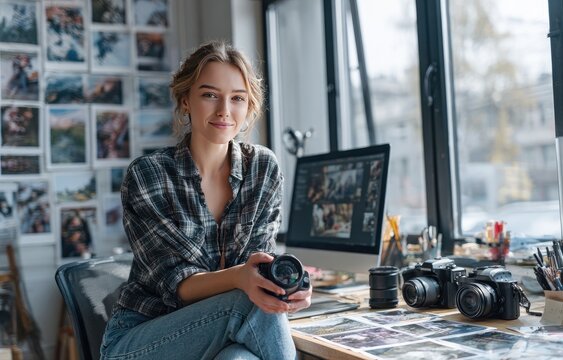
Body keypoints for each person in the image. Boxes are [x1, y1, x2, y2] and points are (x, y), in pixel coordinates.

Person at [100, 41, 312, 360]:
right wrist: (243, 278)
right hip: (141, 339)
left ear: (249, 107)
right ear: (186, 100)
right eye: (210, 94)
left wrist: (287, 287)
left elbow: (259, 262)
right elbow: (179, 285)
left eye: (237, 98)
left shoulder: (263, 169)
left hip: (223, 331)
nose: (224, 110)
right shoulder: (149, 175)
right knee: (245, 304)